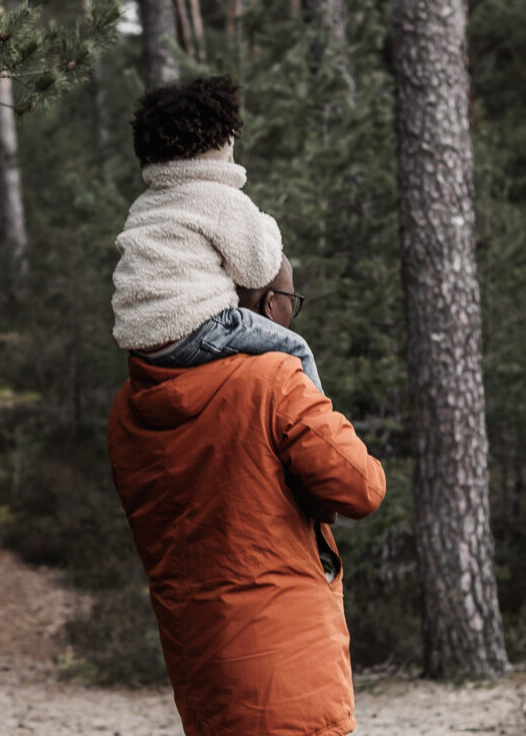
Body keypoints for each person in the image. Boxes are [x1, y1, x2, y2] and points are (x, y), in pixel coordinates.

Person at [107, 257, 386, 735]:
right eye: (292, 301)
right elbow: (362, 487)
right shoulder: (273, 380)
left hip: (199, 669)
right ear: (269, 305)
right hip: (288, 675)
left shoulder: (129, 407)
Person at [111, 75, 322, 393]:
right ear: (220, 148)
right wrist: (265, 226)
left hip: (142, 342)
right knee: (296, 349)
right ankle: (317, 418)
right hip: (193, 330)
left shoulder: (145, 204)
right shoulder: (220, 198)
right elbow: (258, 269)